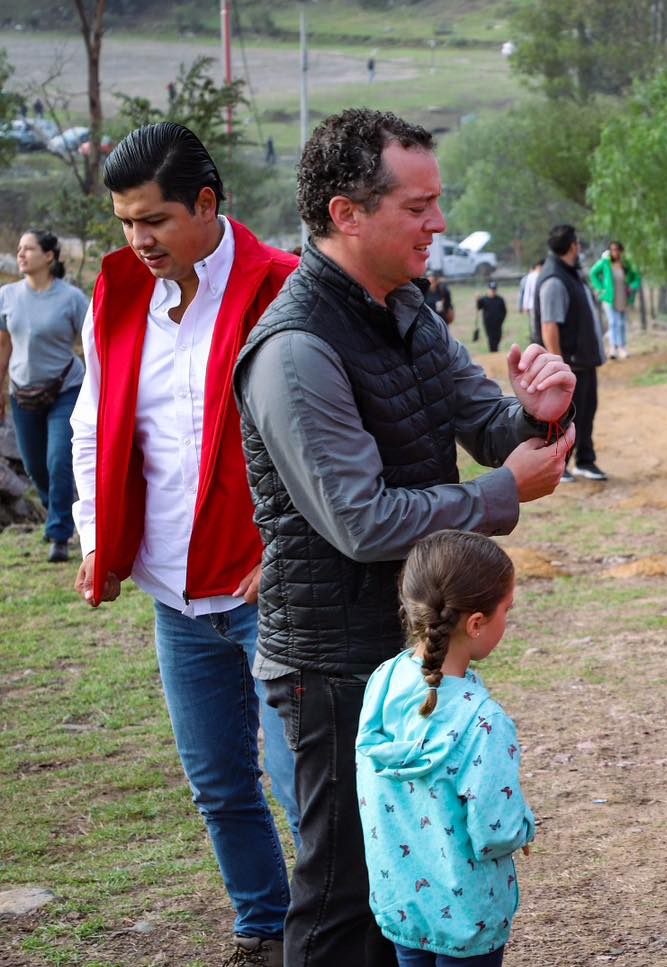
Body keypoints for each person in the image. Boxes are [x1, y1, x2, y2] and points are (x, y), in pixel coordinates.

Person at [234, 108, 573, 967]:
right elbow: (362, 520)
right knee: (346, 893)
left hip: (406, 649)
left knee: (418, 879)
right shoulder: (296, 348)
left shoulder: (406, 305)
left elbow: (479, 416)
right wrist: (503, 491)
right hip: (333, 661)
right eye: (418, 207)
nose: (440, 223)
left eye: (438, 201)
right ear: (348, 214)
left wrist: (535, 410)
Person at [69, 122, 301, 967]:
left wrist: (292, 550)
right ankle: (263, 927)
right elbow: (94, 422)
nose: (138, 241)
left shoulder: (284, 286)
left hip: (270, 587)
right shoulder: (119, 290)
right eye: (126, 223)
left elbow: (340, 435)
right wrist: (97, 532)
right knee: (218, 784)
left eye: (155, 220)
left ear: (208, 204)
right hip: (175, 588)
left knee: (302, 782)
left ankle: (333, 934)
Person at [357, 531, 535, 967]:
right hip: (468, 914)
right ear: (476, 623)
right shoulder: (483, 721)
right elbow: (496, 829)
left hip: (402, 902)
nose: (508, 619)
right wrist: (525, 827)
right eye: (506, 610)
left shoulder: (384, 681)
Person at [0, 229, 88, 562]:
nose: (21, 254)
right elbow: (3, 346)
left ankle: (60, 536)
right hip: (22, 393)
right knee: (36, 467)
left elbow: (93, 342)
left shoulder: (72, 298)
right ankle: (59, 516)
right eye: (19, 249)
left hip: (65, 389)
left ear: (49, 256)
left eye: (29, 249)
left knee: (58, 461)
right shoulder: (7, 296)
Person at [532, 224, 606, 483]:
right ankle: (558, 467)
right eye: (578, 243)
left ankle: (585, 461)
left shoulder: (571, 273)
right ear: (573, 245)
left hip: (583, 363)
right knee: (565, 419)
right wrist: (559, 368)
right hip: (570, 366)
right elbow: (549, 327)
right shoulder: (554, 279)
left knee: (587, 412)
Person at [588, 239, 641, 359]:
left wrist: (632, 287)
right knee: (613, 322)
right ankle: (613, 348)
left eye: (617, 250)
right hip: (609, 297)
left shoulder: (626, 264)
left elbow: (636, 277)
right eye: (612, 250)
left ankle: (622, 347)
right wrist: (600, 288)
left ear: (621, 251)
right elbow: (593, 273)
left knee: (621, 323)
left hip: (623, 296)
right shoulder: (605, 263)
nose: (614, 252)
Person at [475, 280, 507, 352]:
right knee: (491, 338)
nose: (493, 291)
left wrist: (501, 319)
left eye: (494, 289)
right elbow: (478, 307)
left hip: (498, 323)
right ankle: (493, 351)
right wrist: (477, 299)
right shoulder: (484, 299)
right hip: (488, 323)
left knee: (497, 338)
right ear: (488, 290)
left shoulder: (500, 299)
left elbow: (504, 311)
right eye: (491, 289)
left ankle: (495, 350)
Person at [518, 259, 542, 324]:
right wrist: (524, 305)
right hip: (532, 305)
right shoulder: (529, 277)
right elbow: (525, 293)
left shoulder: (542, 275)